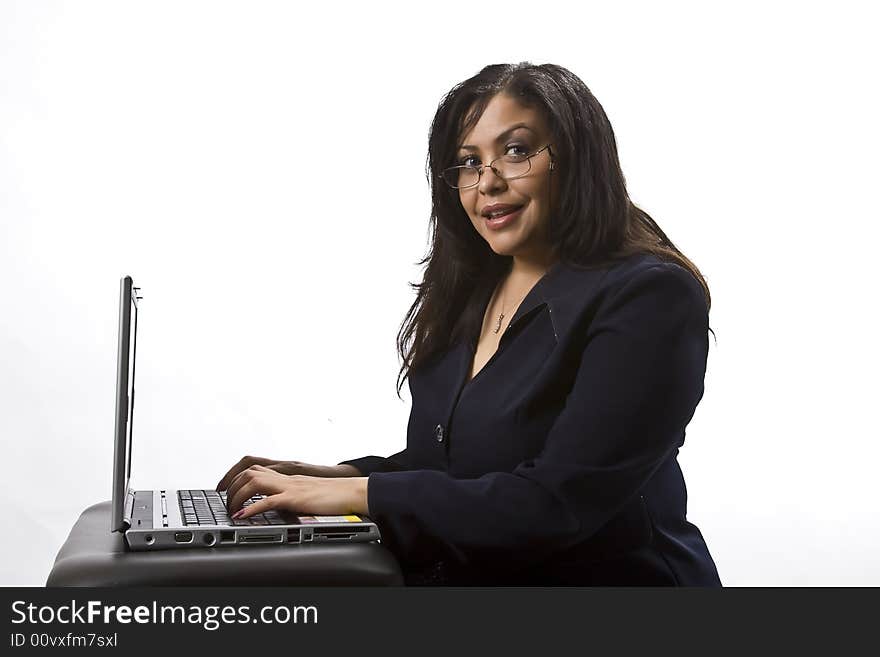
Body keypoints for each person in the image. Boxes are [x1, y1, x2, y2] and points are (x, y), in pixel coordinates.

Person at [217, 62, 722, 586]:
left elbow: (556, 503)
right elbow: (459, 464)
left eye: (517, 150)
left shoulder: (650, 296)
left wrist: (359, 495)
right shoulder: (473, 288)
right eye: (468, 162)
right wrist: (337, 477)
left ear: (576, 157)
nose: (488, 183)